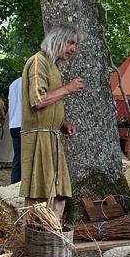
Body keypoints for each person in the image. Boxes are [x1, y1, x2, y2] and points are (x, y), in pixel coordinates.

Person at [20, 26, 82, 219]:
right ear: (58, 40)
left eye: (75, 44)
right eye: (71, 43)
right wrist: (68, 88)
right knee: (40, 192)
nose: (73, 49)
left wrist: (63, 124)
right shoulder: (38, 61)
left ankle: (52, 234)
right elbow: (38, 101)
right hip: (38, 136)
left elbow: (49, 103)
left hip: (51, 136)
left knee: (58, 190)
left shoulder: (51, 65)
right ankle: (38, 238)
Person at [8, 75, 23, 185]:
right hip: (24, 123)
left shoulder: (13, 84)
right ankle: (20, 184)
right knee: (26, 157)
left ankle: (14, 184)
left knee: (18, 156)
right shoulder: (30, 82)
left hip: (13, 123)